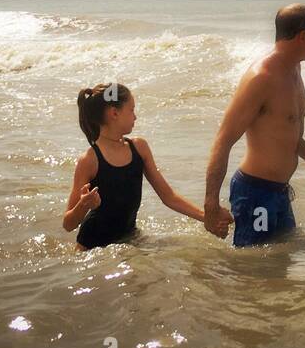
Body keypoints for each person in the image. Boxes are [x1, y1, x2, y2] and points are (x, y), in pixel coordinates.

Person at [204, 4, 305, 246]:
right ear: (302, 36)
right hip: (255, 194)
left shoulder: (294, 69)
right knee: (254, 264)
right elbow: (223, 140)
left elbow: (287, 130)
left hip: (280, 192)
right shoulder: (261, 78)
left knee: (280, 262)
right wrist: (211, 204)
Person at [64, 83, 221, 249]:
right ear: (114, 113)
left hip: (129, 238)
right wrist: (83, 205)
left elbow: (168, 197)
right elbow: (68, 224)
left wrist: (207, 217)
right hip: (92, 248)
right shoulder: (89, 160)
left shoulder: (139, 148)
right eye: (131, 110)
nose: (135, 117)